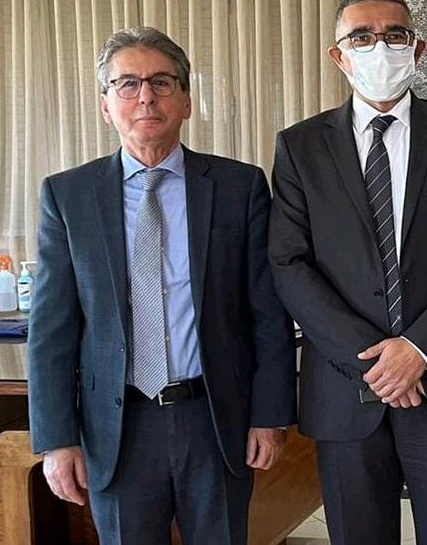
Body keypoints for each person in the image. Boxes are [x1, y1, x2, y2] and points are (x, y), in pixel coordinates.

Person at [28, 27, 296, 544]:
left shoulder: (238, 187)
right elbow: (51, 330)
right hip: (117, 427)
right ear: (106, 105)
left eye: (161, 82)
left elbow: (267, 312)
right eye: (127, 84)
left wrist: (271, 415)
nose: (145, 96)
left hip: (214, 419)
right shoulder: (68, 196)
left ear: (186, 101)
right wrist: (57, 439)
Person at [268, 0, 427, 545]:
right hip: (346, 384)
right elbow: (289, 262)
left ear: (417, 48)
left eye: (393, 35)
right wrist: (378, 362)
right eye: (362, 37)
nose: (379, 48)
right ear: (339, 55)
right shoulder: (300, 147)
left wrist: (417, 349)